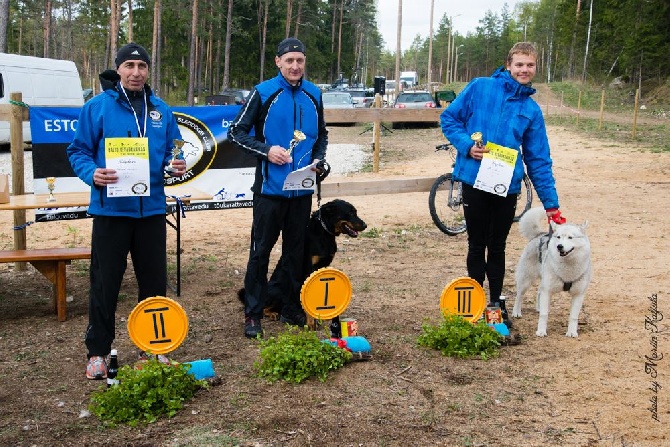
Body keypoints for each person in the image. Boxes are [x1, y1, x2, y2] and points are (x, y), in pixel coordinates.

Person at [67, 43, 186, 379]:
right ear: (118, 69)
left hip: (150, 212)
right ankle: (98, 352)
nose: (136, 72)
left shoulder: (161, 110)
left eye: (142, 66)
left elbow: (170, 155)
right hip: (111, 211)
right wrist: (92, 173)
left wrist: (174, 165)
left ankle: (154, 348)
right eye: (130, 65)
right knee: (105, 283)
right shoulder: (97, 108)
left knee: (154, 282)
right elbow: (78, 151)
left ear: (148, 71)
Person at [440, 42, 566, 328]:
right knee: (476, 244)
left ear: (535, 68)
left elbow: (538, 159)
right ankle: (473, 299)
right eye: (519, 64)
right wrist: (465, 146)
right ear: (508, 64)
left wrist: (551, 204)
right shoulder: (480, 87)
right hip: (474, 179)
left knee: (497, 246)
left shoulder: (531, 110)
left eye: (530, 65)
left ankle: (495, 304)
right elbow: (449, 118)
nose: (524, 70)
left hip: (505, 187)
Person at [228, 37, 328, 338]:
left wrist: (320, 160)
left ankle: (289, 307)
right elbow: (235, 133)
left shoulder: (314, 94)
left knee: (295, 252)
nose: (295, 66)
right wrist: (267, 150)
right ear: (278, 62)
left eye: (300, 60)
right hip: (270, 192)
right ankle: (253, 314)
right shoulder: (263, 93)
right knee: (261, 253)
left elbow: (321, 136)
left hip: (302, 191)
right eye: (289, 61)